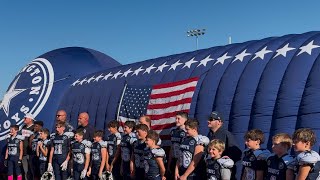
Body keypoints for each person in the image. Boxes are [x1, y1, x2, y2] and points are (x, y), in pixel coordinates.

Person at [207, 111, 241, 180]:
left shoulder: (226, 134)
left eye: (211, 119)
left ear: (219, 122)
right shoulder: (210, 134)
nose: (208, 121)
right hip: (211, 172)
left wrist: (228, 158)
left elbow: (237, 152)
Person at [168, 111, 187, 178]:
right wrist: (169, 163)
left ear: (185, 120)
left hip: (182, 161)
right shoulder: (173, 131)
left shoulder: (187, 132)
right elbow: (172, 147)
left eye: (178, 118)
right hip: (174, 159)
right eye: (176, 118)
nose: (176, 120)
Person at [20, 113, 35, 180]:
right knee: (25, 170)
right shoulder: (23, 127)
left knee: (32, 170)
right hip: (23, 152)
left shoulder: (34, 127)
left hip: (30, 153)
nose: (24, 119)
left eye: (25, 118)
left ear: (30, 119)